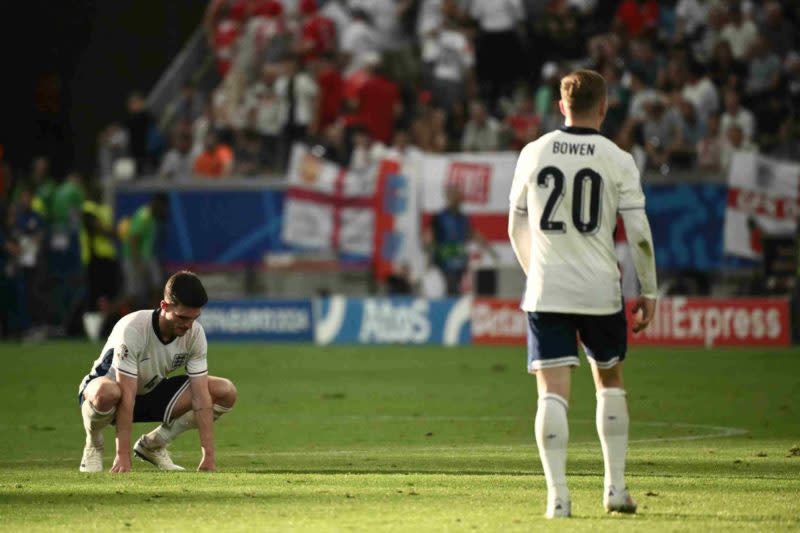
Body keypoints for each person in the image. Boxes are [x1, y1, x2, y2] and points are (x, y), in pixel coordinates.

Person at [507, 70, 658, 518]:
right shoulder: (618, 158)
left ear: (561, 106)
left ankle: (557, 499)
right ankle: (615, 489)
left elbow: (515, 225)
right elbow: (640, 235)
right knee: (609, 380)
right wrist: (648, 290)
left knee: (551, 393)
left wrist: (537, 271)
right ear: (605, 106)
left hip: (547, 288)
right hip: (600, 290)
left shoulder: (533, 152)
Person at [77, 271, 237, 473]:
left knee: (224, 391)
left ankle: (154, 444)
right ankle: (94, 444)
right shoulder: (134, 328)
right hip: (108, 394)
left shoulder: (194, 333)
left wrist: (209, 457)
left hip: (147, 392)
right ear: (164, 306)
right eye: (182, 317)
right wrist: (122, 456)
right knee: (107, 393)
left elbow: (201, 397)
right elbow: (126, 396)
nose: (188, 325)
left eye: (194, 318)